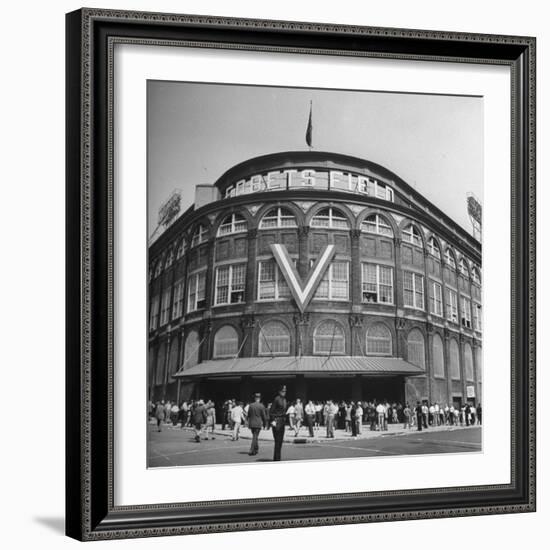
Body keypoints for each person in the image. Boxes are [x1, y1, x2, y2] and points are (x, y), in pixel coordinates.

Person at [269, 385, 288, 461]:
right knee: (277, 441)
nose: (284, 392)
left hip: (282, 421)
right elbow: (271, 411)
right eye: (283, 391)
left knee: (280, 441)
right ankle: (276, 459)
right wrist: (273, 420)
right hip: (277, 421)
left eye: (285, 391)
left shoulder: (284, 400)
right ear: (279, 391)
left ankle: (277, 458)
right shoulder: (276, 399)